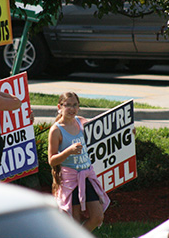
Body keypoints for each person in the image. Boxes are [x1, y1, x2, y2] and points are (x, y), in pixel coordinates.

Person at [48, 92, 110, 232]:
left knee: (97, 216)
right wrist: (68, 151)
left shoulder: (80, 121)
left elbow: (103, 134)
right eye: (67, 105)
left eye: (75, 105)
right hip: (70, 179)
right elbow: (51, 160)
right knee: (74, 221)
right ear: (60, 107)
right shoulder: (56, 130)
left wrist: (129, 131)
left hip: (87, 175)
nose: (71, 109)